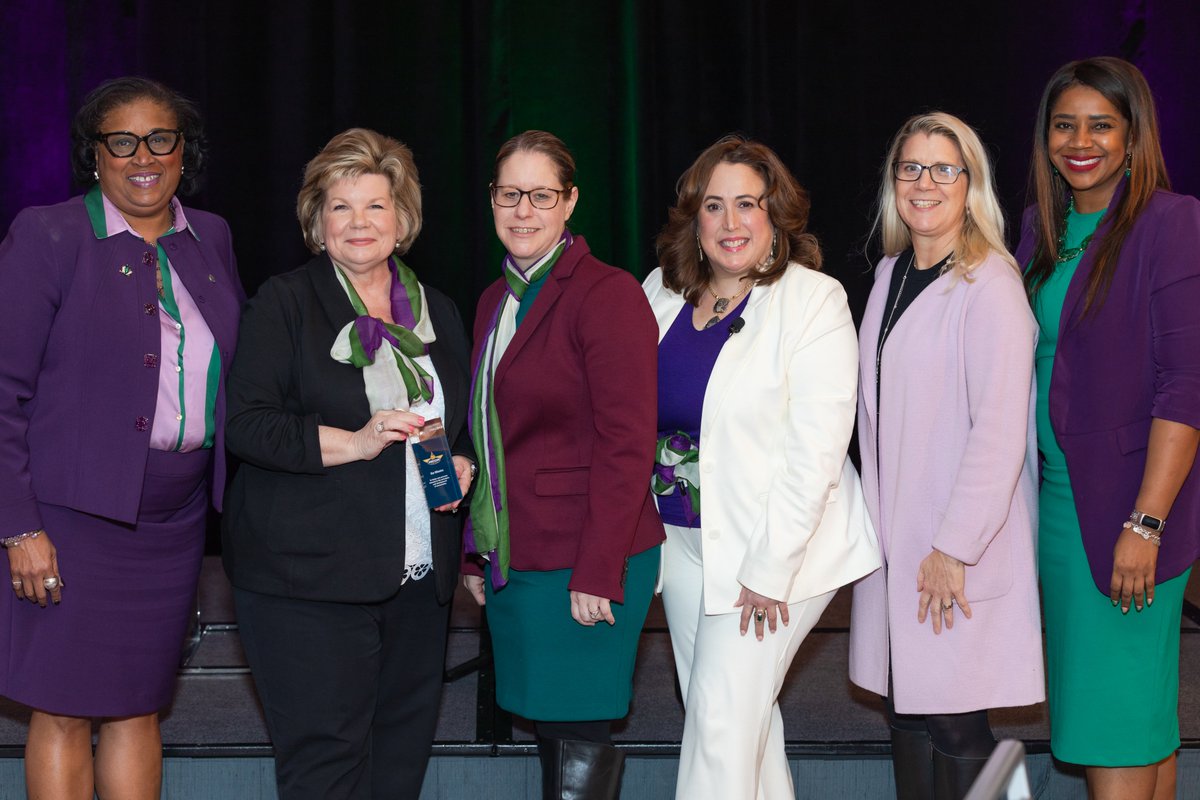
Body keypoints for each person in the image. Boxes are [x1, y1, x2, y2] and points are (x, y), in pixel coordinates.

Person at [0, 77, 243, 799]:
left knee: (139, 704)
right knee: (65, 707)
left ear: (183, 152)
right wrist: (18, 530)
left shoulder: (213, 236)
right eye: (122, 141)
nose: (143, 156)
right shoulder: (48, 235)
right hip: (70, 519)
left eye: (161, 139)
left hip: (174, 522)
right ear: (96, 155)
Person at [221, 128, 474, 800]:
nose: (359, 223)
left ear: (403, 219)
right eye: (341, 207)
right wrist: (357, 442)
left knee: (398, 765)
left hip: (419, 579)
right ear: (316, 219)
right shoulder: (286, 303)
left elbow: (462, 423)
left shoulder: (437, 311)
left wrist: (462, 466)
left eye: (375, 206)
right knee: (327, 770)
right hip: (307, 580)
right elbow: (247, 427)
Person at [643, 134, 880, 800]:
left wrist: (771, 568)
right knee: (738, 725)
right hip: (684, 545)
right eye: (713, 206)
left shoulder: (814, 301)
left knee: (720, 726)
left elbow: (819, 448)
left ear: (776, 216)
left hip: (778, 552)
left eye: (747, 204)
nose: (730, 222)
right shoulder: (659, 295)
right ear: (693, 219)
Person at [1016, 57, 1200, 800]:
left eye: (1101, 124)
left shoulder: (1172, 221)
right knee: (1138, 719)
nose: (1080, 141)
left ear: (1133, 136)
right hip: (1060, 506)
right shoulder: (1041, 228)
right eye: (1065, 125)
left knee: (1107, 721)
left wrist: (1146, 521)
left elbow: (1186, 388)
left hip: (1128, 513)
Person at [847, 112, 1044, 800]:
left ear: (971, 186)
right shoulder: (891, 273)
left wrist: (952, 547)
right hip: (898, 547)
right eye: (910, 168)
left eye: (943, 169)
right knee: (909, 710)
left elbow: (999, 431)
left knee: (957, 722)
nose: (924, 183)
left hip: (957, 550)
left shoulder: (990, 283)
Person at [461, 130, 663, 800]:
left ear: (570, 201)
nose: (523, 210)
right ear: (491, 200)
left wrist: (600, 568)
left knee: (581, 730)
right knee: (552, 729)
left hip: (587, 557)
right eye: (509, 194)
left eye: (540, 195)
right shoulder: (496, 300)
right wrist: (476, 549)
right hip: (521, 557)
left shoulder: (607, 294)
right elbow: (489, 436)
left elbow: (627, 442)